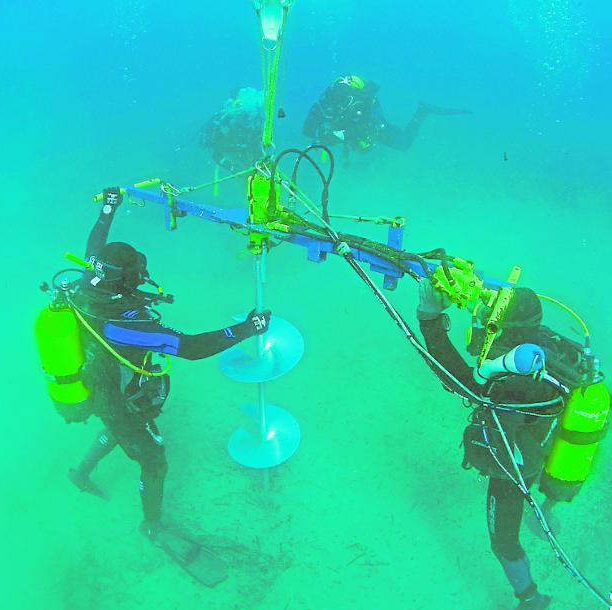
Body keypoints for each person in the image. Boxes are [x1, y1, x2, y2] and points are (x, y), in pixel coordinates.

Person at [68, 187, 270, 582]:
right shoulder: (125, 326)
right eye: (136, 272)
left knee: (116, 427)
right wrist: (248, 328)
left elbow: (95, 244)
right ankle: (152, 525)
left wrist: (109, 207)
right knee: (154, 460)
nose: (142, 275)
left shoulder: (88, 282)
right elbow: (190, 348)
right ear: (124, 280)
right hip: (118, 399)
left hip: (96, 383)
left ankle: (81, 472)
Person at [416, 281, 560, 610]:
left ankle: (530, 600)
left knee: (503, 542)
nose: (483, 321)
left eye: (492, 320)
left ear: (507, 330)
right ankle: (548, 508)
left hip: (515, 470)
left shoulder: (511, 385)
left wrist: (429, 320)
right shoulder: (546, 346)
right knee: (542, 473)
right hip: (544, 443)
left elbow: (456, 378)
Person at [303, 74, 469, 155]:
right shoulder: (329, 105)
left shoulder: (348, 104)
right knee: (400, 142)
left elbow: (361, 127)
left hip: (372, 126)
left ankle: (422, 110)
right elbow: (309, 130)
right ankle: (423, 110)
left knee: (403, 143)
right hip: (364, 125)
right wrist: (323, 136)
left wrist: (332, 137)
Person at [200, 86, 265, 172]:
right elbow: (216, 153)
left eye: (247, 117)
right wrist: (233, 168)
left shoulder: (254, 127)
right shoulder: (224, 128)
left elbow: (259, 147)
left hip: (248, 161)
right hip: (235, 161)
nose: (246, 122)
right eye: (242, 117)